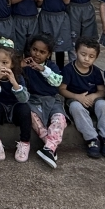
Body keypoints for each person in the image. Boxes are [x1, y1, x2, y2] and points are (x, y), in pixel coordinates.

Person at [60, 37, 105, 159]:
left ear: (96, 57)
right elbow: (62, 89)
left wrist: (93, 96)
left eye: (91, 56)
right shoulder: (69, 69)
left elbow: (102, 91)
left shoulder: (95, 71)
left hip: (93, 100)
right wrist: (77, 97)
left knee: (104, 105)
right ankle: (92, 138)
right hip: (74, 99)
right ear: (76, 52)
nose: (86, 59)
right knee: (76, 107)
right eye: (83, 54)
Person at [23, 34, 67, 169]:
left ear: (48, 55)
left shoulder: (51, 66)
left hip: (52, 100)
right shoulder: (26, 65)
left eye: (42, 52)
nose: (37, 54)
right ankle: (50, 147)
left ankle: (49, 148)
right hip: (33, 100)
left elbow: (57, 82)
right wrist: (20, 66)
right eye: (34, 49)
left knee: (60, 119)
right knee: (31, 116)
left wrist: (43, 69)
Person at [0, 39, 31, 162]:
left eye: (4, 62)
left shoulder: (18, 76)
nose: (0, 66)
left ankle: (25, 142)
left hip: (15, 109)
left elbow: (24, 98)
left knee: (25, 108)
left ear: (12, 64)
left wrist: (14, 82)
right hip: (0, 109)